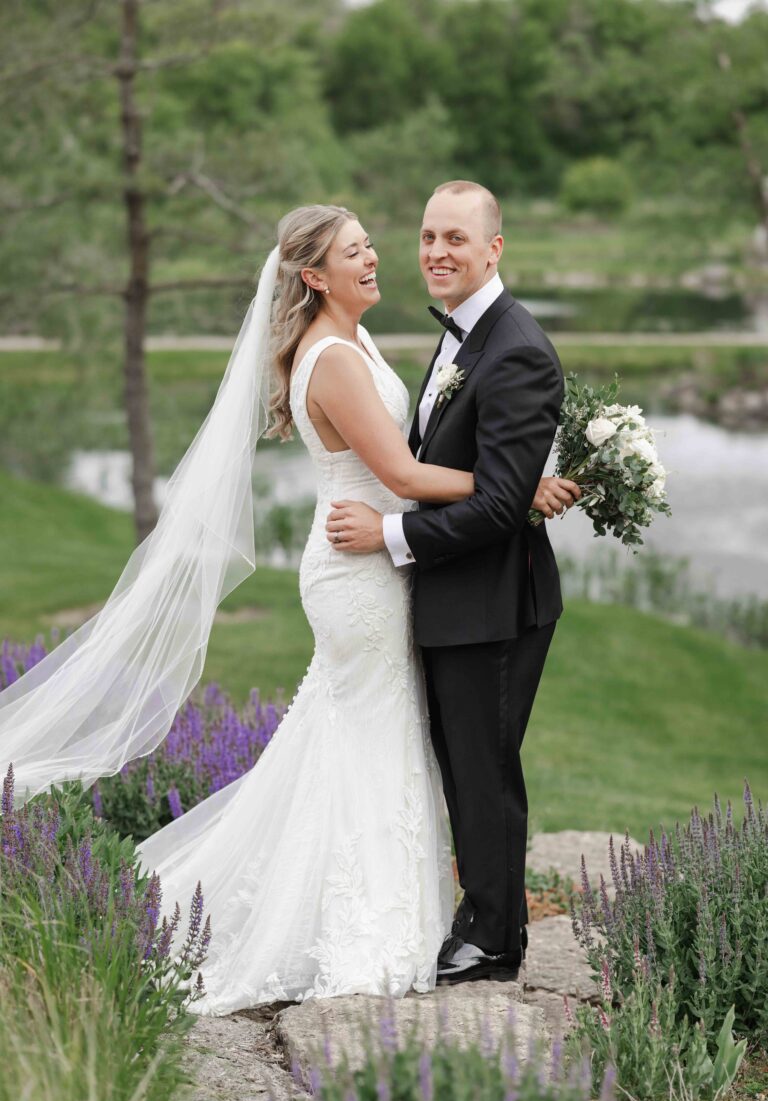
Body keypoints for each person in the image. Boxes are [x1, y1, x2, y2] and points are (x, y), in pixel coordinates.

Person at [1, 200, 576, 1012]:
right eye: (355, 251)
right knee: (367, 731)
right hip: (359, 564)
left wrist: (497, 490)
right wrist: (514, 489)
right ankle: (365, 922)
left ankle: (401, 912)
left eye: (373, 244)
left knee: (365, 733)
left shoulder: (353, 338)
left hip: (378, 557)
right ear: (315, 275)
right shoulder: (333, 356)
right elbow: (403, 475)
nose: (376, 258)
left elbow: (411, 452)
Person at [325, 181, 579, 986]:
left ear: (494, 248)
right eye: (429, 236)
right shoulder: (467, 332)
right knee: (462, 763)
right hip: (458, 598)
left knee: (483, 768)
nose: (437, 251)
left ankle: (494, 938)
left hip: (493, 603)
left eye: (456, 239)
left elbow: (501, 505)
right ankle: (482, 915)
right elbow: (476, 470)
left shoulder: (517, 348)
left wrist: (390, 534)